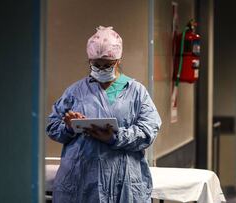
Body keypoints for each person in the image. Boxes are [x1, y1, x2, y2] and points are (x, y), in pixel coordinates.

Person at [46, 26, 162, 203]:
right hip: (81, 178)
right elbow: (52, 126)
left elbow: (148, 130)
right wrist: (69, 127)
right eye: (95, 64)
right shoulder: (75, 91)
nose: (101, 68)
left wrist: (115, 137)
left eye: (107, 65)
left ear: (118, 60)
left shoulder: (136, 92)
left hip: (123, 178)